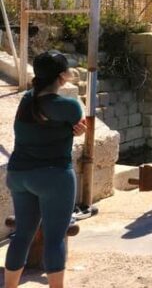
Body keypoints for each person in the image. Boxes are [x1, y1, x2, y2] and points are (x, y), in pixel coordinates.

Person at [4, 51, 87, 288]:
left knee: (22, 234)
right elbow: (76, 121)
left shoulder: (26, 100)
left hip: (19, 174)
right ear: (62, 76)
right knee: (54, 238)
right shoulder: (69, 106)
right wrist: (76, 130)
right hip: (54, 176)